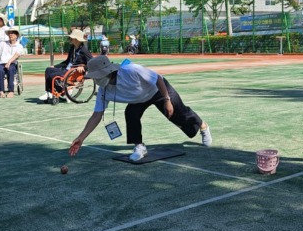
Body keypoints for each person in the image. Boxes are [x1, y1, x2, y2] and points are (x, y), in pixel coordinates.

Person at [68, 55, 212, 161]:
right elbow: (96, 116)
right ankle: (139, 146)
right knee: (130, 113)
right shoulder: (104, 91)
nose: (95, 80)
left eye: (96, 76)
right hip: (138, 99)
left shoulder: (131, 70)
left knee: (180, 114)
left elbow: (158, 79)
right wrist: (81, 138)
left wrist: (167, 100)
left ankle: (203, 126)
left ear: (107, 72)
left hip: (158, 91)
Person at [39, 28, 93, 102]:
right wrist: (55, 66)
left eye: (72, 38)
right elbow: (67, 61)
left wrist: (84, 67)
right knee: (48, 70)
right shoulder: (72, 48)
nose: (70, 39)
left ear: (76, 39)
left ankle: (60, 91)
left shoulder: (84, 50)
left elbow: (92, 62)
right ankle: (49, 92)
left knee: (53, 75)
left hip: (74, 72)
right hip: (66, 69)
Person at [0, 26, 25, 98]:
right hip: (0, 63)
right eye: (9, 33)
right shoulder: (2, 44)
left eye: (13, 33)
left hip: (12, 63)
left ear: (16, 35)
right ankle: (1, 91)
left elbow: (16, 55)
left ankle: (11, 91)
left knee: (11, 69)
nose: (10, 34)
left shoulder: (19, 46)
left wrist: (9, 62)